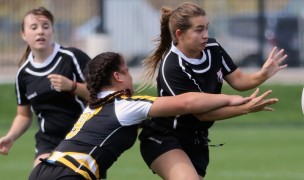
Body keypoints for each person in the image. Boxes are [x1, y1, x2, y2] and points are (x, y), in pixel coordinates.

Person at [28, 52, 277, 180]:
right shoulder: (125, 105)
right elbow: (187, 102)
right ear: (117, 77)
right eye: (126, 72)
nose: (130, 77)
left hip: (43, 171)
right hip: (67, 176)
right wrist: (237, 99)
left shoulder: (94, 107)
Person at [138, 2, 288, 180]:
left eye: (207, 28)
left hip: (196, 139)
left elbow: (239, 80)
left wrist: (262, 74)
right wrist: (244, 108)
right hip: (164, 136)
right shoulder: (173, 67)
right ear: (180, 34)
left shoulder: (213, 48)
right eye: (199, 30)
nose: (205, 35)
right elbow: (202, 114)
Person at [0, 7, 91, 166]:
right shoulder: (23, 74)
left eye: (45, 26)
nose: (40, 31)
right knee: (40, 175)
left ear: (52, 31)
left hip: (81, 135)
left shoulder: (72, 57)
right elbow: (24, 115)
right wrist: (10, 137)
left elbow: (100, 95)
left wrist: (72, 86)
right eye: (34, 27)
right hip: (48, 140)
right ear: (23, 34)